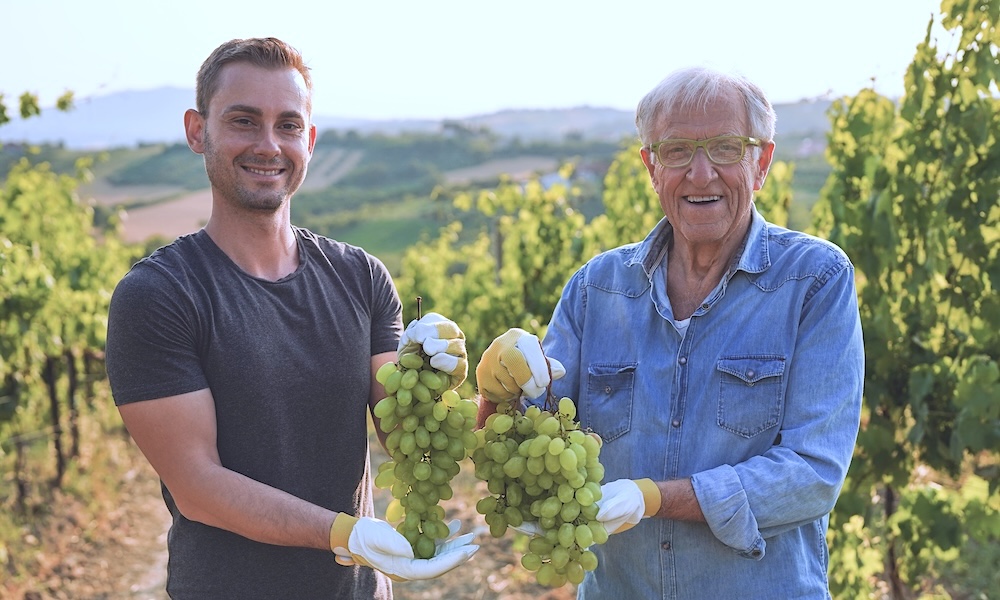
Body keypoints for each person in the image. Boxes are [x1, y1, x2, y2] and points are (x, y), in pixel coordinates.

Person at [104, 37, 477, 599]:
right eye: (244, 121)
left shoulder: (362, 277)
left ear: (311, 139)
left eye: (288, 125)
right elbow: (198, 486)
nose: (268, 144)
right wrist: (344, 534)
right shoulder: (159, 295)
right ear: (197, 130)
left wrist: (484, 391)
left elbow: (404, 434)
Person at [476, 66, 864, 599]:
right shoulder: (597, 289)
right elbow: (529, 450)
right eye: (677, 150)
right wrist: (496, 393)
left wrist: (654, 497)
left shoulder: (814, 281)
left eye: (726, 148)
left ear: (761, 163)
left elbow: (812, 474)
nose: (700, 174)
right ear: (651, 166)